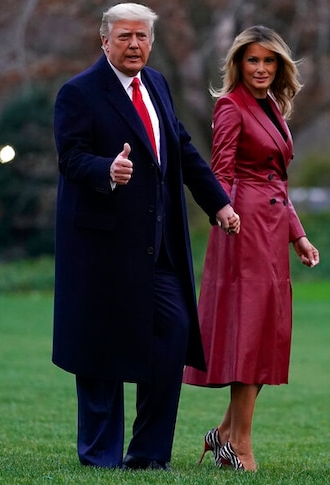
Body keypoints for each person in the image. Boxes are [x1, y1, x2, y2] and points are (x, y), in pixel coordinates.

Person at [51, 3, 240, 471]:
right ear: (104, 41)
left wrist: (217, 202)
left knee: (173, 333)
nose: (134, 45)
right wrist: (108, 171)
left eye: (141, 37)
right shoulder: (78, 93)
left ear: (151, 42)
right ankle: (100, 457)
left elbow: (182, 147)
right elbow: (71, 158)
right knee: (100, 351)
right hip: (101, 250)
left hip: (158, 250)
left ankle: (150, 455)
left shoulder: (156, 85)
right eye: (124, 38)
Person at [182, 25, 320, 472]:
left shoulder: (273, 107)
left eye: (269, 61)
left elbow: (278, 181)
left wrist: (297, 235)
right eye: (252, 60)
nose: (261, 69)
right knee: (248, 336)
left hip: (271, 230)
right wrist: (221, 214)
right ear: (238, 64)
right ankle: (238, 444)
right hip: (241, 230)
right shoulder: (230, 106)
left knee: (263, 335)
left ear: (280, 66)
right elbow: (220, 171)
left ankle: (224, 434)